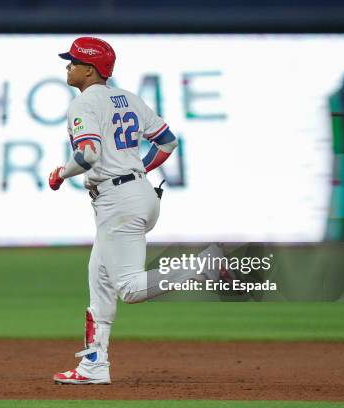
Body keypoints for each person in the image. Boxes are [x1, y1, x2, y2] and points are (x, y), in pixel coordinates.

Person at [48, 37, 224, 385]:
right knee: (99, 279)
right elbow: (167, 141)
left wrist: (60, 173)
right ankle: (94, 365)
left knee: (128, 288)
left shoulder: (84, 103)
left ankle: (203, 268)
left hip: (119, 201)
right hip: (138, 194)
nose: (68, 66)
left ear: (90, 69)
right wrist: (137, 172)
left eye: (73, 61)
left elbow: (88, 155)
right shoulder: (128, 98)